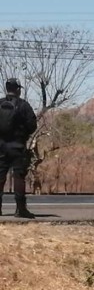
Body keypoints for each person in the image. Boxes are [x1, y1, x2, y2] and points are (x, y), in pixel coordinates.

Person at [0, 78, 37, 218]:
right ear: (18, 89)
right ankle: (21, 209)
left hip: (1, 147)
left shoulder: (0, 103)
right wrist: (23, 135)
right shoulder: (24, 105)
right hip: (18, 146)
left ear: (7, 88)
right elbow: (32, 125)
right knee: (19, 177)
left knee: (0, 176)